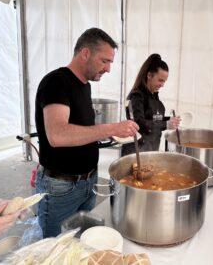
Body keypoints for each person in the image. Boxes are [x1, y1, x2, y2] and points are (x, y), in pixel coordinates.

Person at [35, 28, 139, 238]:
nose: (109, 69)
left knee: (80, 242)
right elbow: (58, 135)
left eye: (110, 62)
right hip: (61, 186)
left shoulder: (84, 86)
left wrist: (107, 135)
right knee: (56, 246)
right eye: (104, 61)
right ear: (85, 53)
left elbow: (82, 131)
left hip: (87, 182)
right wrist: (111, 128)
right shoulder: (56, 82)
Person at [121, 54, 180, 156]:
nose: (162, 85)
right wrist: (166, 124)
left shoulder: (154, 97)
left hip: (151, 150)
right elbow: (139, 123)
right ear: (149, 75)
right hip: (136, 153)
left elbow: (153, 118)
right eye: (160, 80)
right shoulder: (136, 96)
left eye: (164, 81)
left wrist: (170, 120)